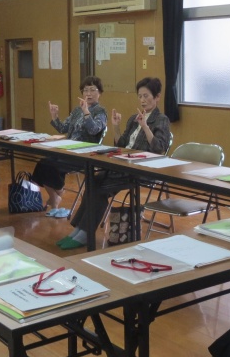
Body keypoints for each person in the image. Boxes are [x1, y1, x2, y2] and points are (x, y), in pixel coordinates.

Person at [56, 77, 171, 249]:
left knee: (101, 188)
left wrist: (145, 127)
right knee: (93, 180)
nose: (142, 100)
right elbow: (121, 145)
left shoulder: (161, 120)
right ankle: (79, 230)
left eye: (146, 96)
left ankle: (85, 233)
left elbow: (159, 149)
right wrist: (116, 126)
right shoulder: (134, 118)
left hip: (142, 170)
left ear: (157, 97)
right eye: (140, 96)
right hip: (123, 165)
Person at [32, 76, 107, 218]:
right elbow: (63, 129)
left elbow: (94, 130)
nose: (88, 94)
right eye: (85, 90)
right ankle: (56, 196)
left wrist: (86, 112)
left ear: (100, 93)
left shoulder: (100, 111)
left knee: (51, 166)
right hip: (67, 150)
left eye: (92, 90)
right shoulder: (77, 110)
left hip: (83, 154)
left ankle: (56, 197)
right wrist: (54, 116)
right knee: (42, 163)